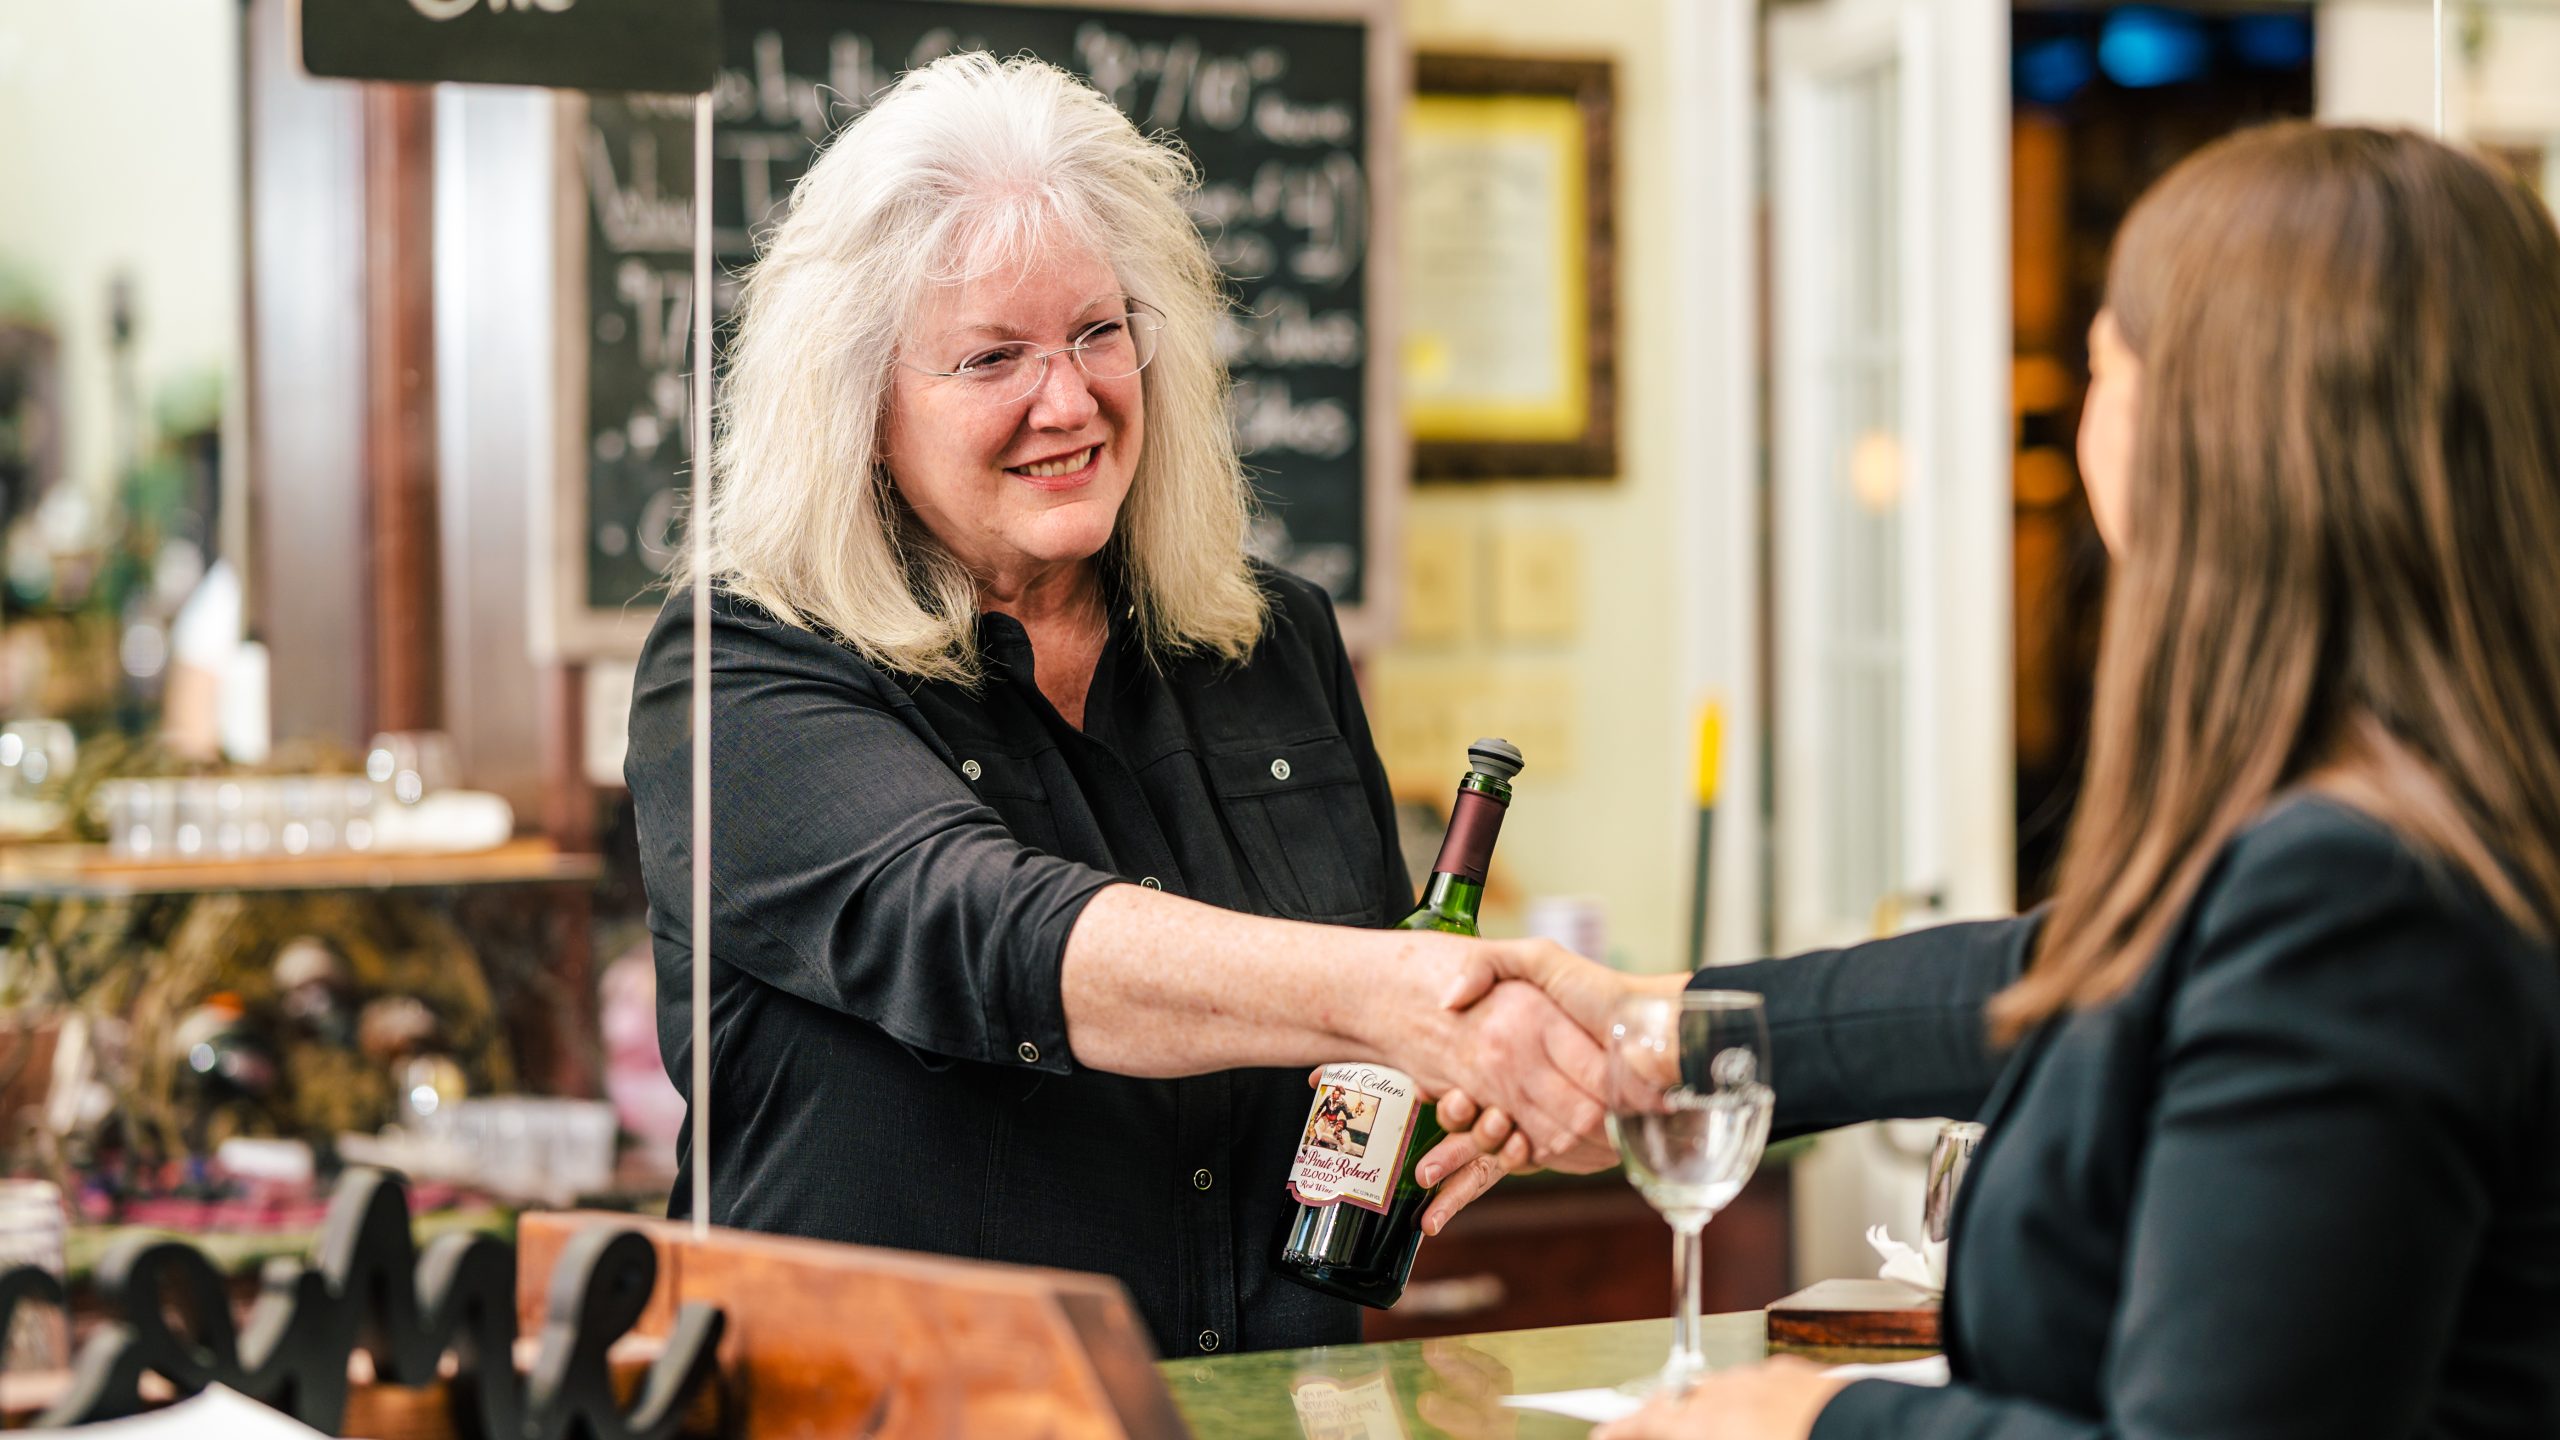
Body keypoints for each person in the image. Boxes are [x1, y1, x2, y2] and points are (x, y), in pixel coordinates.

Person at [1426, 123, 2560, 1438]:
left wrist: (1802, 1422)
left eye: (2101, 363)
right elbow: (2059, 976)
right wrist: (1678, 1028)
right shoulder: (2430, 827)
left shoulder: (2357, 892)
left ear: (2213, 436)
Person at [623, 52, 1602, 1360]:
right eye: (993, 358)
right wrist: (1400, 988)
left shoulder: (1277, 641)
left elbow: (1350, 1062)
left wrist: (1456, 1082)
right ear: (861, 408)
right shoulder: (740, 670)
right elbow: (993, 936)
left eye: (1099, 332)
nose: (1070, 401)